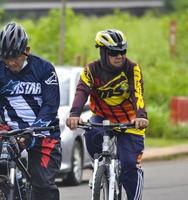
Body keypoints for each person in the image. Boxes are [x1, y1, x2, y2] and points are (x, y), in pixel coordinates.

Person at [0, 22, 61, 200]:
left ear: (26, 50)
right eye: (5, 58)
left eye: (14, 57)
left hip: (43, 133)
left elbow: (51, 106)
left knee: (43, 187)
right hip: (11, 130)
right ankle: (3, 188)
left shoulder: (45, 69)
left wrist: (33, 132)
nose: (10, 62)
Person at [66, 29, 149, 200]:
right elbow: (82, 91)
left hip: (131, 121)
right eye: (114, 52)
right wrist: (74, 114)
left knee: (129, 165)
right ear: (103, 52)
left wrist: (141, 116)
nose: (119, 56)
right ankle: (99, 168)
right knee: (89, 133)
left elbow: (137, 93)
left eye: (123, 51)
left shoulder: (132, 69)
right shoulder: (91, 70)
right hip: (102, 119)